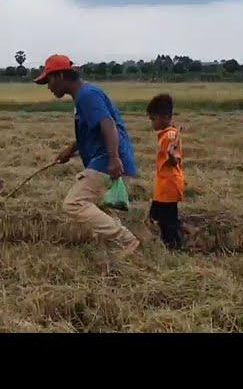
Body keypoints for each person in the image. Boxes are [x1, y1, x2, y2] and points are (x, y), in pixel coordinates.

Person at [34, 54, 140, 253]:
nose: (49, 87)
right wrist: (70, 151)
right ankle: (116, 246)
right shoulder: (84, 95)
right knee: (98, 207)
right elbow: (94, 129)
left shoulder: (87, 96)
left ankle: (127, 240)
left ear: (60, 76)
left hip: (106, 160)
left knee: (74, 203)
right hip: (107, 158)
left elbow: (108, 125)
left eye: (48, 81)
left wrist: (114, 158)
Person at [146, 94, 188, 250]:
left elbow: (174, 159)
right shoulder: (166, 135)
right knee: (155, 216)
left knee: (166, 222)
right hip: (163, 186)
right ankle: (183, 231)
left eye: (153, 119)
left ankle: (175, 247)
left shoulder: (170, 136)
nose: (152, 123)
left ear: (164, 117)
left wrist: (172, 156)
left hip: (169, 186)